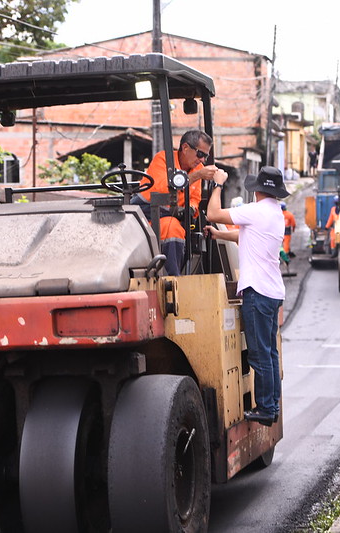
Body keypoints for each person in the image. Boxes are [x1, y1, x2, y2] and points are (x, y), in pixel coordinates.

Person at [205, 166, 288, 426]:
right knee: (270, 353)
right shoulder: (275, 213)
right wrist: (219, 234)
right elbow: (245, 237)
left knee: (259, 354)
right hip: (272, 291)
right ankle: (271, 406)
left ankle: (264, 408)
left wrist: (218, 184)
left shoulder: (256, 211)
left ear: (258, 190)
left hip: (258, 292)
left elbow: (212, 213)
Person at [132, 130, 217, 275]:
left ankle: (175, 276)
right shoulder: (163, 159)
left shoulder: (198, 169)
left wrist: (191, 208)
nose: (202, 160)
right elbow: (161, 188)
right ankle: (173, 279)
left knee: (174, 226)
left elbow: (195, 198)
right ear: (185, 148)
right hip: (145, 215)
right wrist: (195, 176)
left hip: (172, 216)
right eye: (200, 154)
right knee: (171, 228)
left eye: (206, 156)